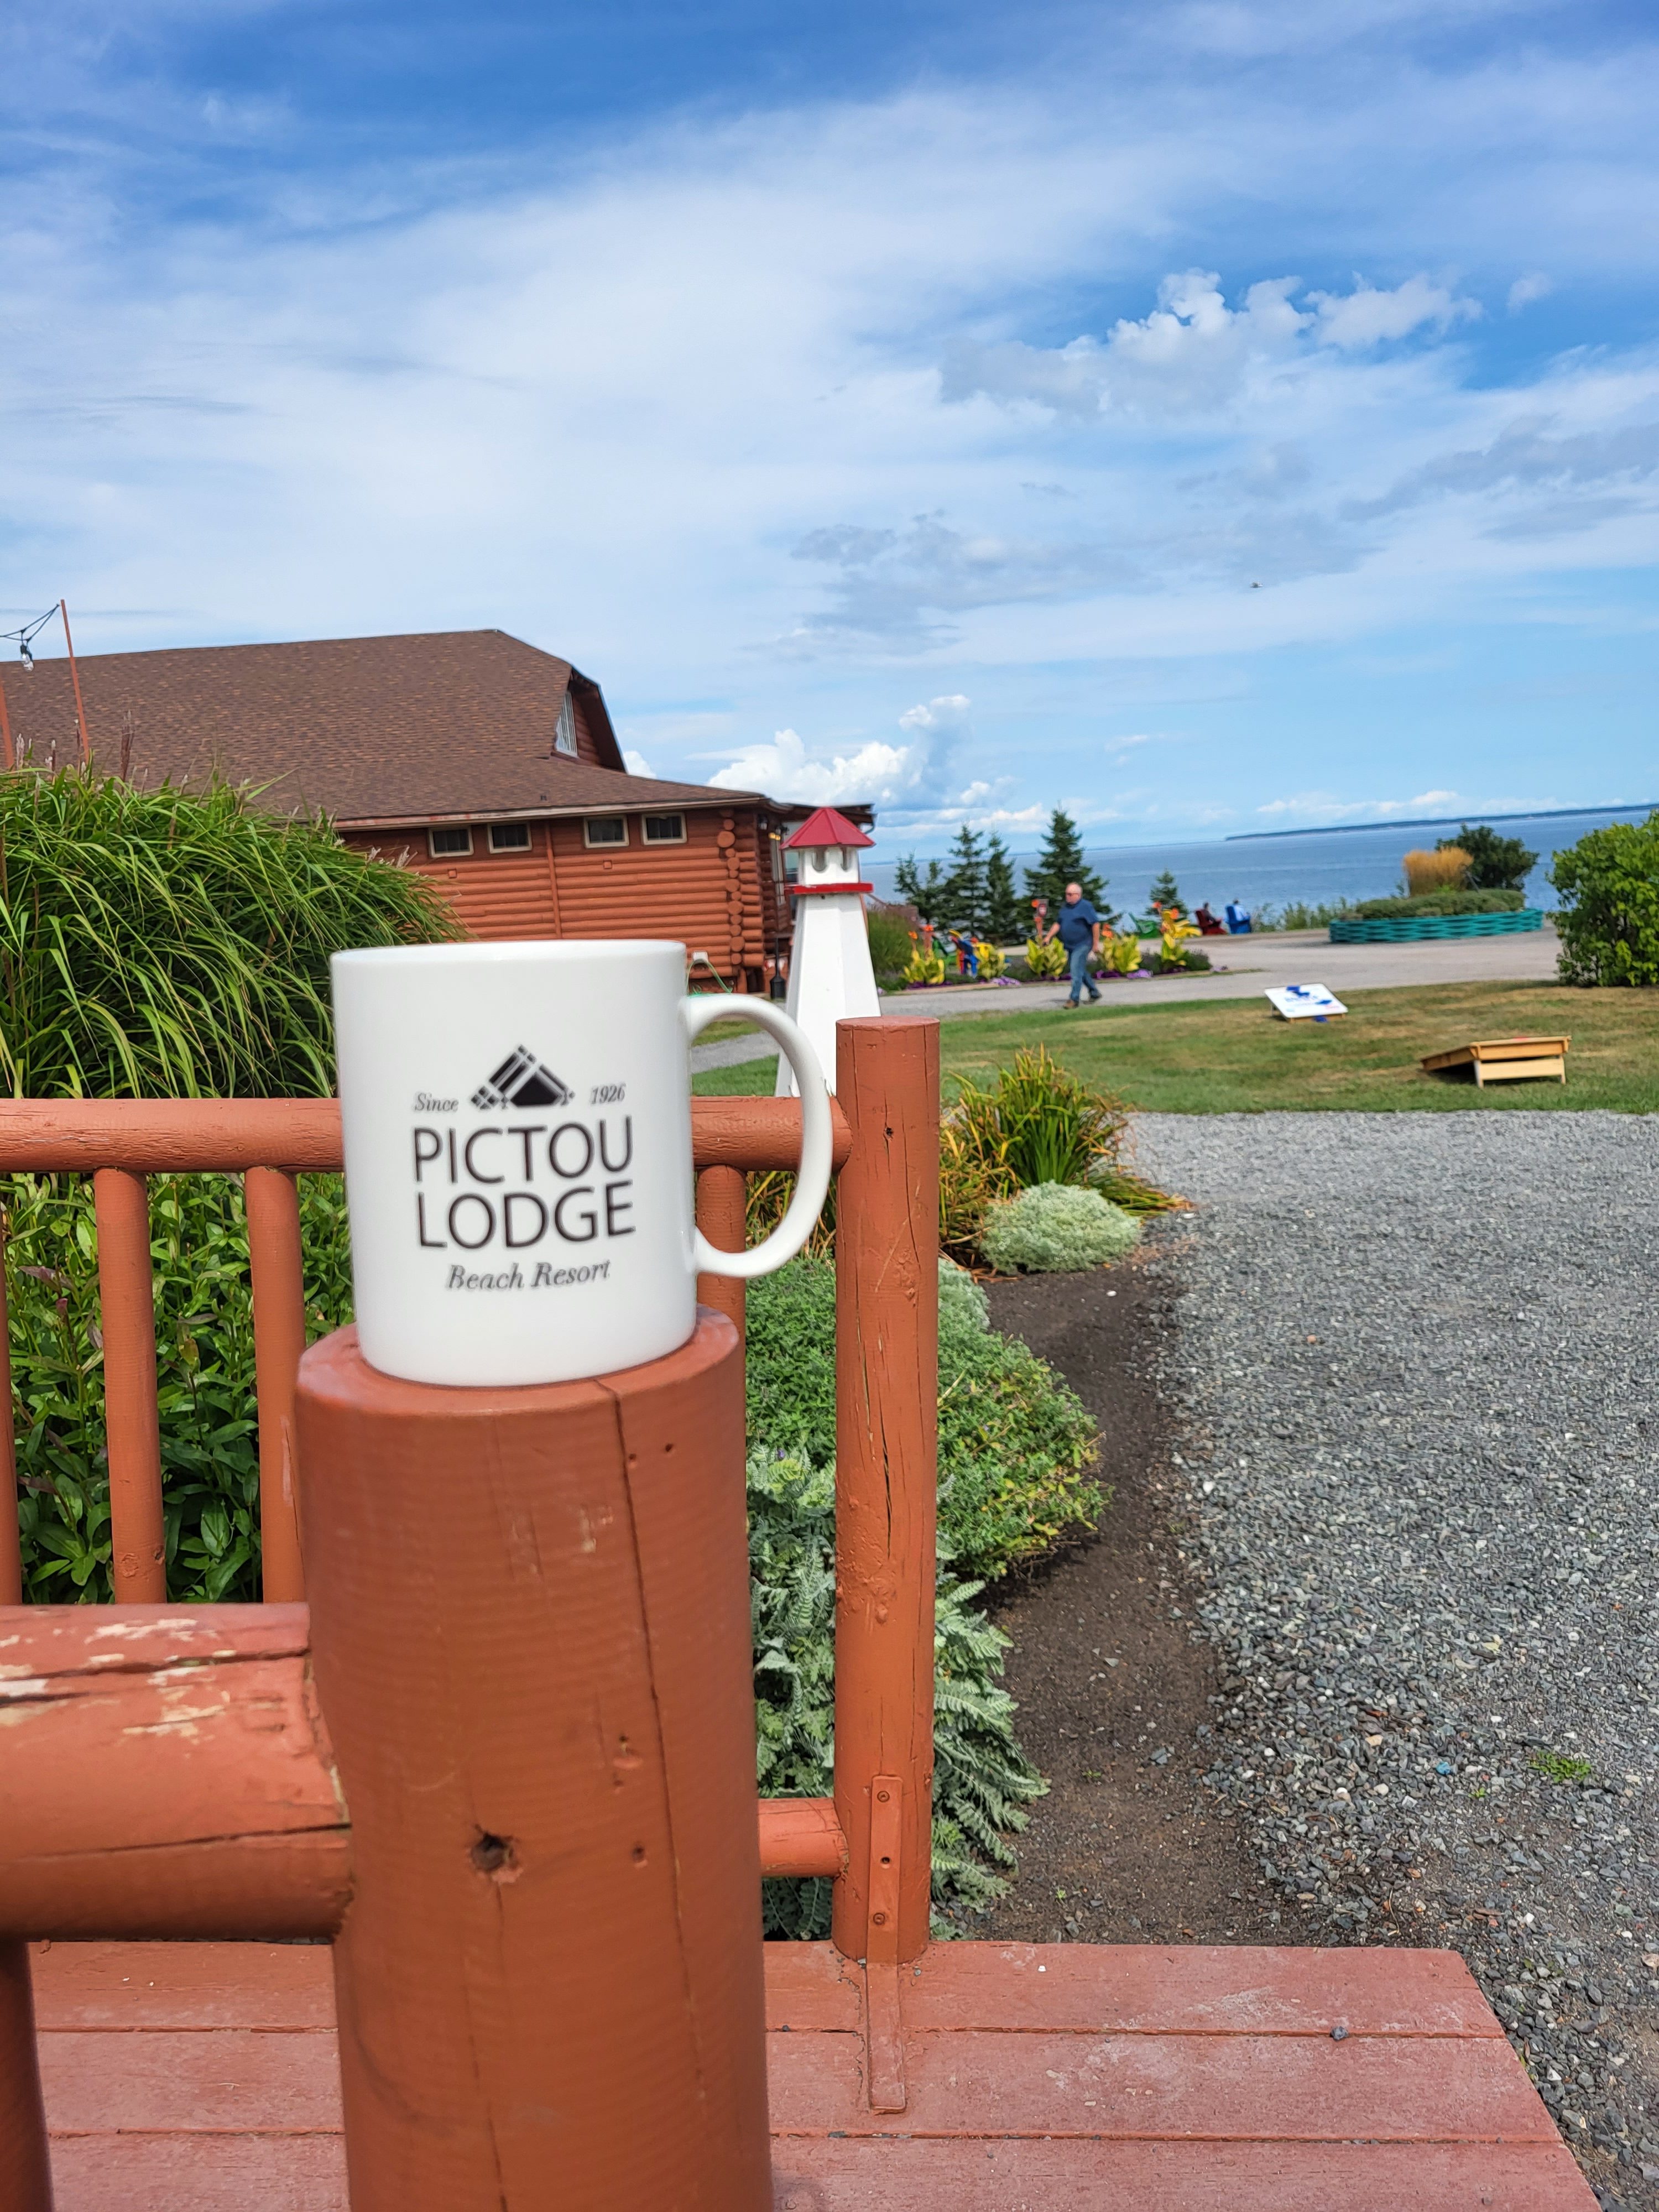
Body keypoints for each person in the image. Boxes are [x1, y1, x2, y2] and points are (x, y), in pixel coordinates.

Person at [1047, 881, 1102, 1005]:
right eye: (1066, 894)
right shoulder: (1065, 908)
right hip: (1070, 945)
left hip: (1083, 944)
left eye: (1070, 894)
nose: (1068, 897)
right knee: (1080, 970)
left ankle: (1074, 999)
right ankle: (1094, 992)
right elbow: (1058, 923)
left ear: (1078, 895)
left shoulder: (1086, 907)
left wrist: (1095, 944)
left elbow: (1095, 924)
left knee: (1075, 971)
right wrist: (1048, 937)